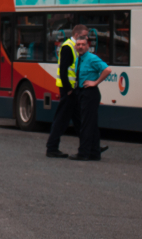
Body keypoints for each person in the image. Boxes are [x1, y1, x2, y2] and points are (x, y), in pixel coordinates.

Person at [46, 24, 89, 158]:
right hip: (68, 91)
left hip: (73, 90)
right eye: (84, 35)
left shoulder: (74, 46)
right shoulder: (67, 47)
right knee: (61, 120)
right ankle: (52, 148)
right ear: (77, 35)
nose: (87, 38)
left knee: (79, 121)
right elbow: (63, 71)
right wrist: (69, 90)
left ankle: (89, 146)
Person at [70, 35, 112, 162]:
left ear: (88, 46)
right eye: (78, 44)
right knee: (91, 124)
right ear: (76, 46)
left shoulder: (92, 58)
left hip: (90, 93)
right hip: (82, 92)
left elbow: (107, 70)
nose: (81, 47)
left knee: (86, 124)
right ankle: (94, 153)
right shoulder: (79, 59)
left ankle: (83, 153)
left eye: (83, 44)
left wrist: (96, 82)